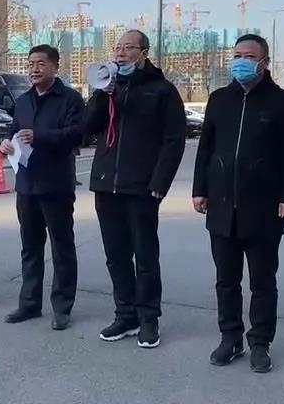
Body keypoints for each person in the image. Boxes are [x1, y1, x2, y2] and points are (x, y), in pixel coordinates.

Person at [192, 34, 284, 373]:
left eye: (250, 56)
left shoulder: (282, 102)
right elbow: (205, 149)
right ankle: (230, 337)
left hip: (263, 208)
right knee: (226, 280)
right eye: (237, 54)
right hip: (221, 206)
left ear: (264, 62)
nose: (242, 61)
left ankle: (260, 342)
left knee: (262, 281)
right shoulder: (219, 99)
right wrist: (200, 189)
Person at [83, 29, 186, 348]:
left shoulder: (162, 90)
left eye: (129, 47)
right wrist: (102, 94)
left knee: (145, 256)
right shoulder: (108, 88)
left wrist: (159, 183)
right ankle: (125, 314)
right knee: (115, 255)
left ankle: (148, 318)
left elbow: (174, 140)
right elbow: (88, 127)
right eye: (118, 47)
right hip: (106, 185)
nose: (121, 53)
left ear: (143, 53)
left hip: (141, 187)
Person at [0, 45, 83, 330]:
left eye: (41, 64)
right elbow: (14, 129)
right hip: (26, 184)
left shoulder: (70, 99)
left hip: (56, 184)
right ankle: (29, 303)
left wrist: (40, 137)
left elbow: (77, 135)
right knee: (30, 247)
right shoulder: (23, 100)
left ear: (55, 67)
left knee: (61, 247)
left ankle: (62, 307)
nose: (34, 69)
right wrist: (6, 143)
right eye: (31, 64)